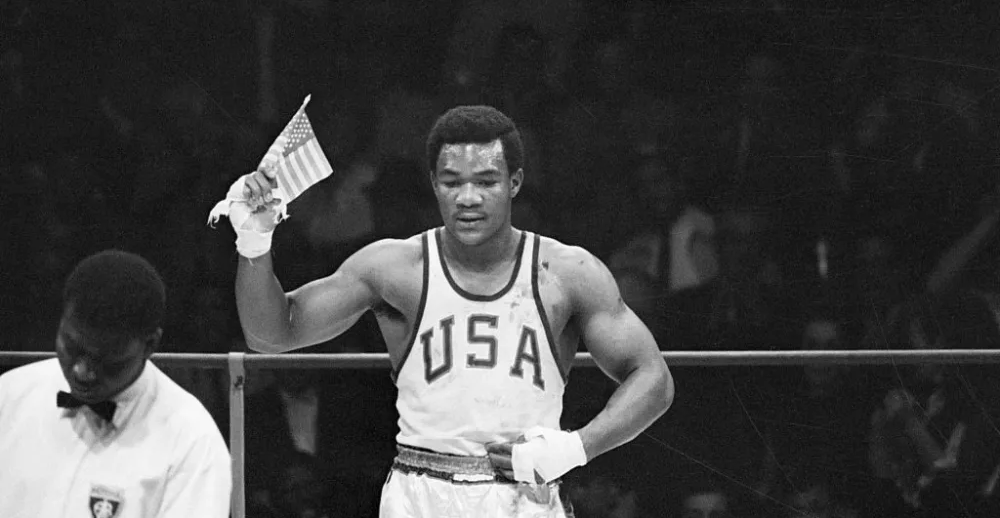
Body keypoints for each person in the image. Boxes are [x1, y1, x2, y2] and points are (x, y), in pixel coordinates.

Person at [226, 105, 675, 517]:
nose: (467, 198)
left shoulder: (567, 273)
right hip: (419, 496)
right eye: (452, 181)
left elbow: (653, 379)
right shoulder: (394, 268)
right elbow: (271, 335)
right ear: (434, 183)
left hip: (523, 496)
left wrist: (576, 448)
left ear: (514, 182)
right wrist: (254, 242)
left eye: (485, 181)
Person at [0, 250, 232, 517]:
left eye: (105, 360)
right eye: (71, 346)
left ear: (150, 345)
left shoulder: (191, 441)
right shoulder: (10, 396)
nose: (82, 371)